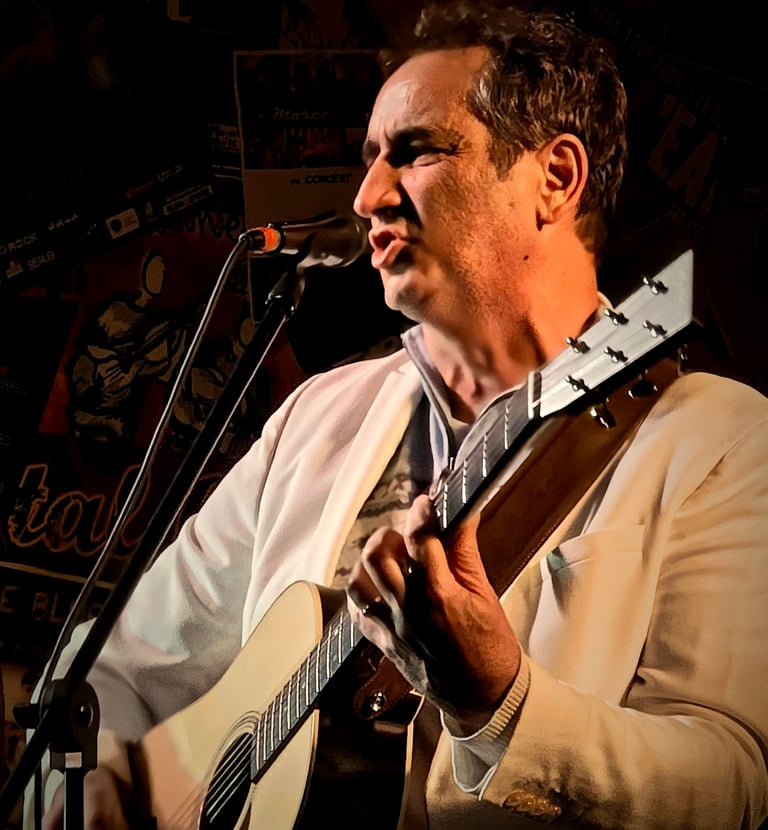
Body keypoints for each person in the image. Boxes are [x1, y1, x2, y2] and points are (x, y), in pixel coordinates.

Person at [28, 1, 768, 828]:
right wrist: (88, 784)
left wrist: (499, 701)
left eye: (415, 151)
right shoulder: (320, 414)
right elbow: (116, 669)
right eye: (370, 158)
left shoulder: (716, 437)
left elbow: (734, 784)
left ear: (556, 178)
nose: (368, 196)